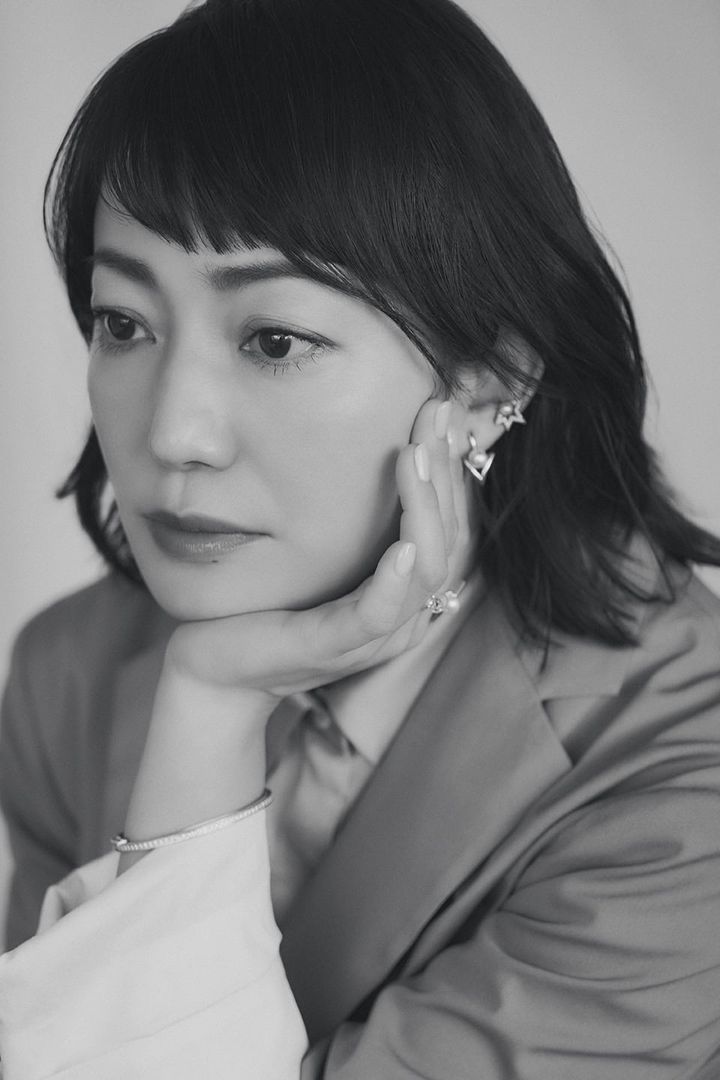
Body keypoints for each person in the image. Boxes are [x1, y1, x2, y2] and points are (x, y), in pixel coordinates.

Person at [1, 0, 719, 1075]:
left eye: (274, 339)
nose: (174, 433)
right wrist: (208, 702)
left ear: (490, 383)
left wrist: (209, 713)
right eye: (124, 323)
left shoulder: (681, 782)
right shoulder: (70, 676)